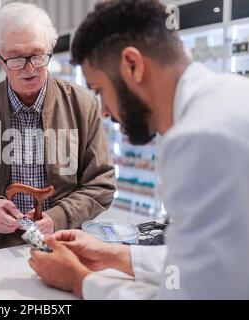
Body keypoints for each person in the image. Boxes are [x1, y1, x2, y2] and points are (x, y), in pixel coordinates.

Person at [29, 0, 249, 299]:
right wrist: (114, 255)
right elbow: (207, 263)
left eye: (100, 90)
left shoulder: (198, 137)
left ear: (132, 65)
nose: (104, 110)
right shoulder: (230, 96)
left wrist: (79, 280)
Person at [0, 2, 116, 252]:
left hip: (64, 245)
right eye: (16, 58)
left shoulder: (84, 107)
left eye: (38, 55)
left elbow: (101, 184)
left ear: (51, 47)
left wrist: (58, 217)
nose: (30, 69)